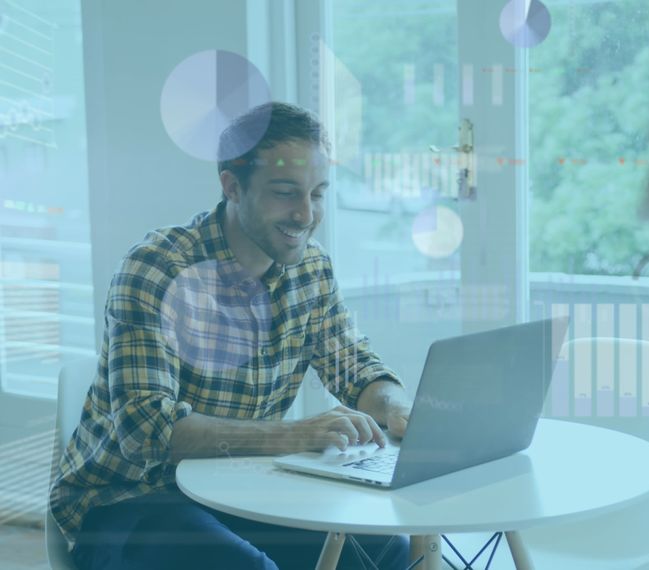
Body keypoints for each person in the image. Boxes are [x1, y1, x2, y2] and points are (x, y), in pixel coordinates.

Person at [50, 102, 413, 570]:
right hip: (128, 500)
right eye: (286, 193)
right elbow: (146, 432)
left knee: (386, 551)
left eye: (318, 193)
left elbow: (355, 366)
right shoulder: (158, 268)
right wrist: (296, 436)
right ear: (231, 186)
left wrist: (397, 407)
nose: (305, 214)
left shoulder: (311, 268)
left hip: (239, 491)